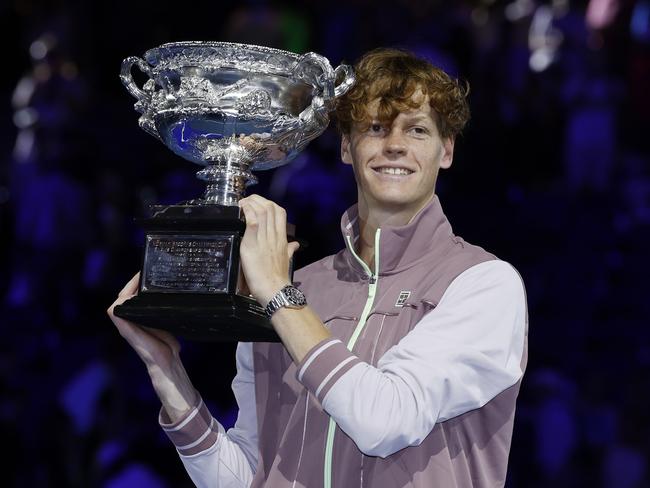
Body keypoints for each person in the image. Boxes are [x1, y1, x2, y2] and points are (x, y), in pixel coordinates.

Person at [108, 48, 528, 488]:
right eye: (375, 128)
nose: (395, 145)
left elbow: (384, 421)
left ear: (447, 151)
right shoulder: (297, 290)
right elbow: (247, 477)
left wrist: (277, 294)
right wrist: (166, 370)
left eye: (417, 130)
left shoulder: (483, 283)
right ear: (347, 146)